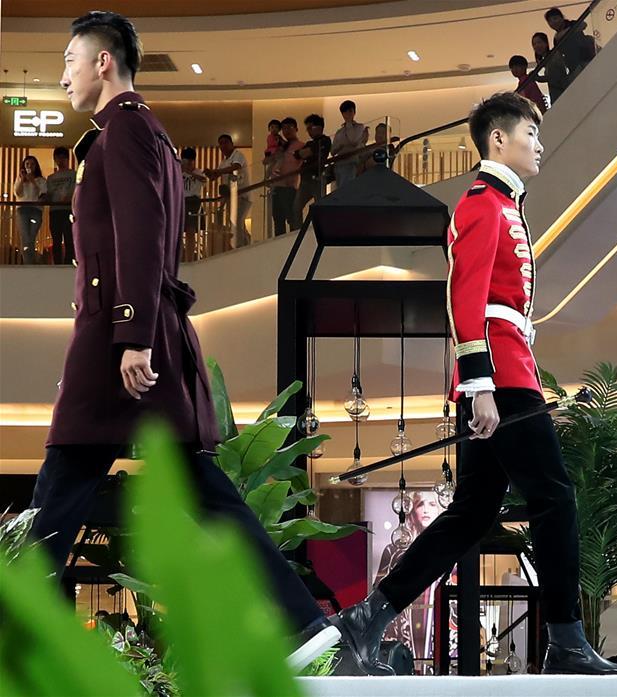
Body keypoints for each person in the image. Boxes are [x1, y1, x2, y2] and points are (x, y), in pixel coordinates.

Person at [33, 10, 381, 677]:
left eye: (71, 59)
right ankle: (307, 631)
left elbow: (139, 232)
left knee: (63, 486)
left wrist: (131, 333)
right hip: (133, 337)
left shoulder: (126, 130)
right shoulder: (138, 134)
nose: (64, 73)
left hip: (121, 343)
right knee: (192, 489)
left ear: (104, 61)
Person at [332, 92, 617, 677]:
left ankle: (367, 619)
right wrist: (480, 386)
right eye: (530, 133)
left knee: (470, 515)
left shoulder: (504, 206)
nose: (540, 144)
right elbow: (464, 298)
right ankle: (567, 645)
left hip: (505, 372)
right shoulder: (481, 205)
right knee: (554, 498)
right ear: (498, 140)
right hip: (500, 378)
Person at [373, 492, 443, 663]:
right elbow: (379, 591)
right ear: (412, 511)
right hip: (403, 627)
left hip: (439, 623)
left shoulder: (447, 550)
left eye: (432, 504)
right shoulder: (394, 551)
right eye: (420, 505)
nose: (426, 510)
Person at [205, 134, 251, 247]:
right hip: (232, 197)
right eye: (220, 143)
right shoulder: (223, 162)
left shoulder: (238, 155)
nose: (223, 145)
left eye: (225, 142)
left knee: (237, 221)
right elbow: (214, 177)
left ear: (232, 144)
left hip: (242, 195)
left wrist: (217, 172)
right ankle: (246, 243)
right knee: (235, 222)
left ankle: (241, 246)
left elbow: (236, 167)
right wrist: (210, 173)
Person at [294, 114, 332, 221]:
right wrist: (307, 152)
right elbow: (297, 154)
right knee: (296, 208)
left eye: (310, 128)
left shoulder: (325, 140)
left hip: (317, 178)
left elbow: (309, 152)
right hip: (305, 180)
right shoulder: (310, 143)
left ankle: (320, 229)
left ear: (319, 127)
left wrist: (307, 152)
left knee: (320, 207)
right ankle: (298, 231)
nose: (309, 131)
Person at [270, 116, 303, 235]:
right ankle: (279, 248)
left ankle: (294, 244)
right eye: (284, 128)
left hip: (289, 187)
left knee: (291, 218)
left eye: (290, 127)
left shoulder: (300, 146)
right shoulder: (281, 147)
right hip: (276, 186)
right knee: (278, 219)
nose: (286, 131)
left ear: (296, 129)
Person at [544, 7, 597, 79]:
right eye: (550, 21)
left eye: (555, 18)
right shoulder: (556, 39)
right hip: (573, 66)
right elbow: (559, 54)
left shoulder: (571, 24)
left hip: (587, 58)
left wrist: (565, 33)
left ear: (562, 17)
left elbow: (583, 24)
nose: (553, 22)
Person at [13, 155, 47, 264]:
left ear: (36, 166)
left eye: (32, 164)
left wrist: (33, 181)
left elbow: (42, 193)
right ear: (24, 165)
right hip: (22, 210)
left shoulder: (41, 180)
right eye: (27, 164)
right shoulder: (20, 179)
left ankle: (31, 262)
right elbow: (17, 193)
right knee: (25, 236)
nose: (30, 166)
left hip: (36, 210)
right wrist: (22, 180)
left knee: (31, 236)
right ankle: (30, 263)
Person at [46, 146, 77, 265]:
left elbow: (76, 191)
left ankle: (69, 263)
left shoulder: (73, 174)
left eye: (64, 157)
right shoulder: (51, 178)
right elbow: (48, 194)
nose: (61, 160)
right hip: (55, 210)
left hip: (68, 209)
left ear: (68, 159)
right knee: (56, 239)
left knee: (69, 238)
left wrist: (68, 198)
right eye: (58, 157)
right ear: (55, 159)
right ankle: (57, 263)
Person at [331, 100, 369, 188]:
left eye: (350, 111)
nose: (348, 114)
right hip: (339, 164)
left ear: (354, 112)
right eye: (345, 112)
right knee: (340, 189)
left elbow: (354, 141)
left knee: (349, 188)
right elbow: (333, 151)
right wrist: (341, 146)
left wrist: (349, 123)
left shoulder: (359, 127)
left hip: (352, 163)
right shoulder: (339, 132)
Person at [180, 147, 208, 261]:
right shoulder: (178, 171)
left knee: (191, 231)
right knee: (178, 231)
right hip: (181, 201)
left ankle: (189, 258)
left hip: (193, 202)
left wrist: (189, 171)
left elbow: (204, 180)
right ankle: (180, 257)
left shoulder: (198, 172)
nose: (188, 163)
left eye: (190, 161)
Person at [532, 32, 569, 107]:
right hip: (557, 96)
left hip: (562, 94)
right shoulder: (547, 60)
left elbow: (555, 77)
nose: (536, 46)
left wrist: (539, 78)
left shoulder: (554, 56)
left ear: (546, 43)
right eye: (534, 44)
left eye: (539, 42)